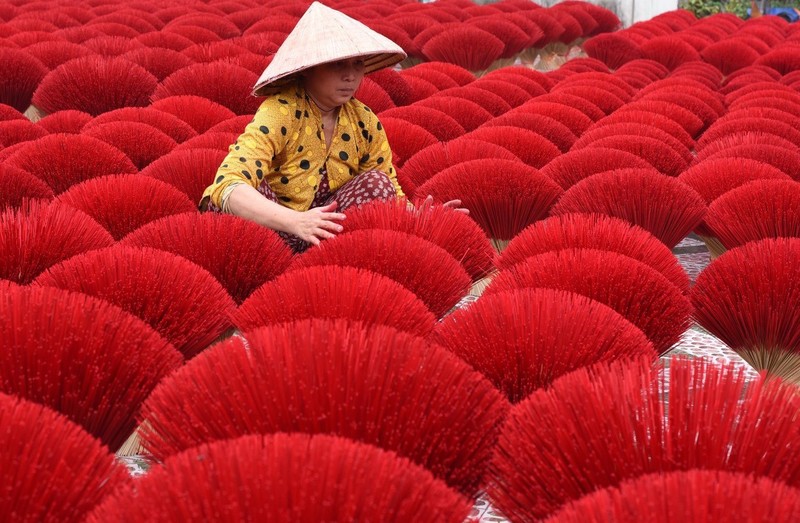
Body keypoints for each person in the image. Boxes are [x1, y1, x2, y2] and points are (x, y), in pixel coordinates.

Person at [199, 1, 464, 252]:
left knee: (377, 183)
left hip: (324, 238)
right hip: (269, 233)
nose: (350, 76)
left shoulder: (365, 122)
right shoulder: (280, 112)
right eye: (337, 64)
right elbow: (228, 184)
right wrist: (295, 221)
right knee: (240, 194)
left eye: (357, 64)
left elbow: (388, 192)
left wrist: (422, 218)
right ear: (307, 69)